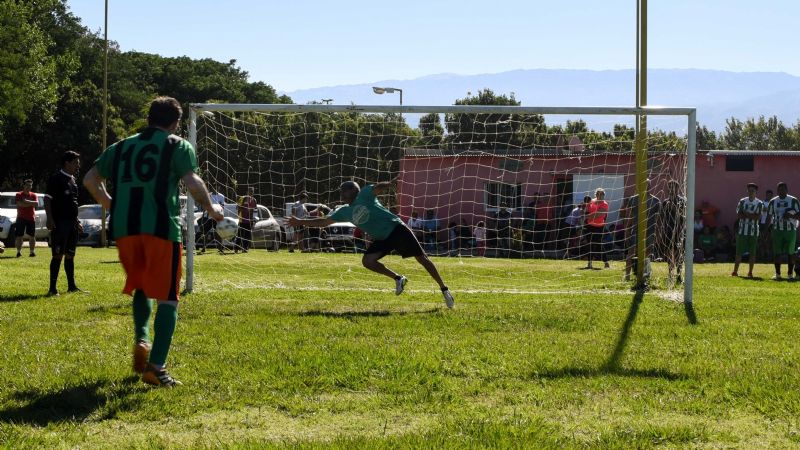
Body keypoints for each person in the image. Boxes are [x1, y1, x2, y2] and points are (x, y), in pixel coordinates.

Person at [83, 96, 224, 387]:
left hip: (125, 229)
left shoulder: (120, 146)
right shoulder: (176, 145)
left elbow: (90, 179)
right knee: (169, 298)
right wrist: (212, 208)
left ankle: (142, 338)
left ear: (149, 118)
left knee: (142, 285)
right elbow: (193, 182)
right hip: (160, 228)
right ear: (176, 122)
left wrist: (111, 204)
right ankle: (156, 367)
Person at [288, 180, 455, 308]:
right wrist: (300, 221)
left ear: (354, 190)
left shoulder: (365, 194)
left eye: (344, 190)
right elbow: (323, 222)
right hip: (382, 239)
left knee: (422, 258)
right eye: (341, 191)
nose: (341, 193)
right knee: (367, 261)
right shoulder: (344, 211)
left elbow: (378, 188)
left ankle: (444, 289)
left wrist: (388, 184)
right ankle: (398, 278)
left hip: (396, 229)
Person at [45, 151, 84, 296]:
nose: (78, 166)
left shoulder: (73, 180)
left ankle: (71, 286)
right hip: (60, 223)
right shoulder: (56, 178)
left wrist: (77, 221)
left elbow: (73, 203)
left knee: (70, 255)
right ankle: (52, 289)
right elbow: (47, 199)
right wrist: (50, 218)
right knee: (58, 255)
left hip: (72, 224)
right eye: (75, 163)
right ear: (67, 163)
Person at [623, 183, 661, 282]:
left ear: (650, 186)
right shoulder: (633, 199)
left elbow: (658, 220)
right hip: (636, 230)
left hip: (650, 231)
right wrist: (627, 230)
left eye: (647, 185)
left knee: (647, 253)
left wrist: (657, 233)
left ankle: (645, 274)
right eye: (643, 184)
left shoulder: (656, 201)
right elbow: (629, 216)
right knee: (631, 252)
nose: (645, 187)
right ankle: (627, 275)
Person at [765, 182, 800, 280]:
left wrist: (791, 216)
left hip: (790, 230)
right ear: (777, 191)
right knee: (777, 253)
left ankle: (790, 274)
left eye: (783, 189)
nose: (781, 191)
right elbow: (769, 216)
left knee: (791, 253)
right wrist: (766, 230)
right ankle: (777, 274)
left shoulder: (793, 200)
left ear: (787, 190)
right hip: (777, 230)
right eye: (779, 189)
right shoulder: (773, 201)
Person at [658, 180, 687, 283]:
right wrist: (661, 231)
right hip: (668, 230)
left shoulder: (682, 201)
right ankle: (671, 273)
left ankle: (679, 274)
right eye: (669, 187)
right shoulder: (665, 202)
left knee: (679, 252)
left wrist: (674, 208)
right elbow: (661, 217)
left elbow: (684, 215)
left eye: (673, 187)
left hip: (679, 230)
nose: (671, 189)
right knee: (669, 252)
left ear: (677, 189)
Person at [732, 183, 762, 278]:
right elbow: (739, 215)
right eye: (749, 190)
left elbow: (757, 217)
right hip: (742, 230)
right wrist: (751, 215)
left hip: (754, 231)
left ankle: (750, 272)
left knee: (752, 253)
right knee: (738, 252)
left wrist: (746, 213)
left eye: (752, 190)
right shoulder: (742, 201)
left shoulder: (759, 203)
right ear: (747, 191)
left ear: (756, 192)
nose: (750, 192)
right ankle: (735, 272)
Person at [584, 188, 609, 269]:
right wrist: (585, 207)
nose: (600, 195)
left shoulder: (605, 204)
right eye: (598, 194)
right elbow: (586, 210)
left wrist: (587, 216)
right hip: (589, 226)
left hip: (599, 227)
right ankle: (589, 263)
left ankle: (606, 262)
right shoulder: (592, 201)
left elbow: (599, 214)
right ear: (596, 195)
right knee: (589, 244)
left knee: (599, 245)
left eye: (602, 194)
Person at [196, 185, 224, 253]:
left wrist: (217, 210)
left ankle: (220, 248)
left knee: (218, 233)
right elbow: (204, 205)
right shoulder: (208, 195)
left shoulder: (221, 196)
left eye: (216, 187)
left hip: (217, 217)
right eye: (213, 187)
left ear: (218, 187)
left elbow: (222, 206)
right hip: (208, 217)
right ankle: (204, 248)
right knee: (205, 233)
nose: (215, 188)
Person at [14, 179, 38, 258]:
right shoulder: (19, 194)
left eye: (30, 185)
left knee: (32, 236)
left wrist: (26, 201)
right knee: (19, 236)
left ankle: (32, 252)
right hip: (21, 218)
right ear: (24, 185)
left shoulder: (33, 195)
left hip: (31, 218)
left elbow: (36, 203)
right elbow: (20, 204)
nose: (29, 187)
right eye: (27, 185)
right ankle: (18, 252)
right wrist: (31, 203)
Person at [235, 186, 256, 253]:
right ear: (247, 192)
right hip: (242, 220)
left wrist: (253, 219)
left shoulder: (254, 200)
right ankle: (236, 248)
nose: (251, 193)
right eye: (250, 191)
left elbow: (254, 210)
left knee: (247, 235)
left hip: (249, 221)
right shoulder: (243, 198)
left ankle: (245, 248)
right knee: (240, 234)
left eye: (252, 191)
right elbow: (237, 207)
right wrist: (246, 210)